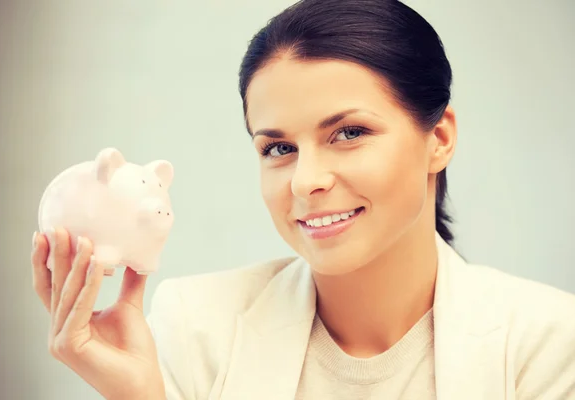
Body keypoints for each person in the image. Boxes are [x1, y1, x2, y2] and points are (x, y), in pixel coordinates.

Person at [30, 0, 575, 399]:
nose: (304, 181)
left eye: (350, 132)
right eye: (279, 147)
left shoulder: (548, 342)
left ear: (440, 139)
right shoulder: (196, 326)